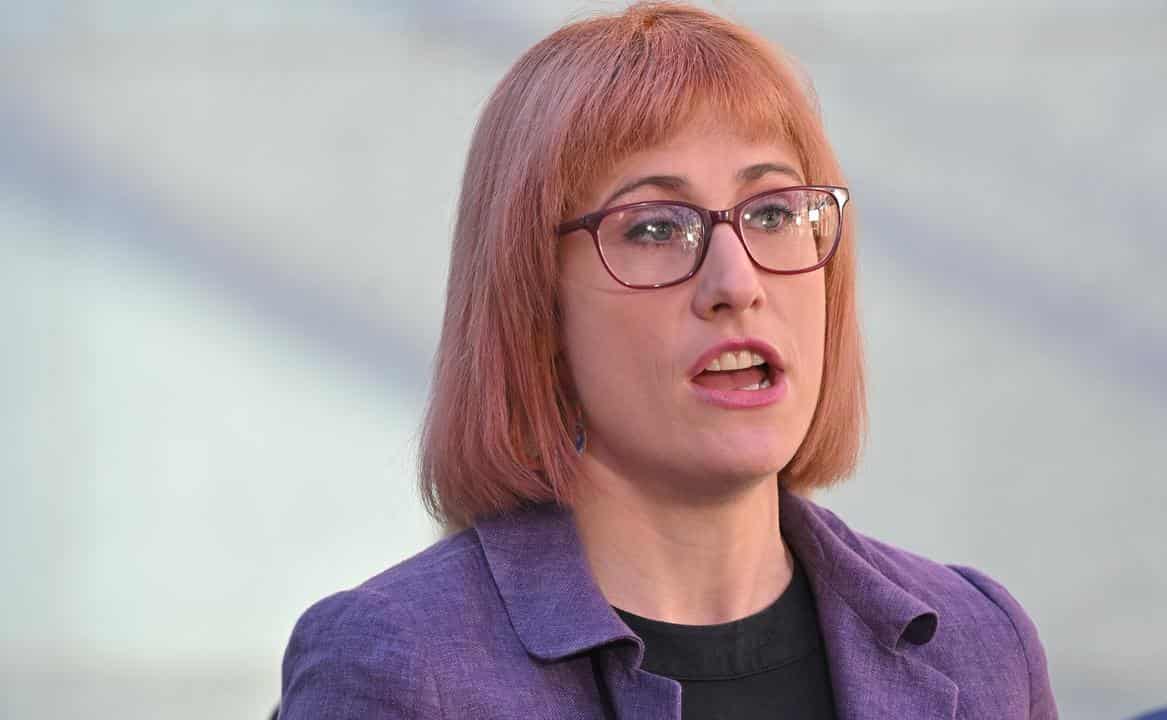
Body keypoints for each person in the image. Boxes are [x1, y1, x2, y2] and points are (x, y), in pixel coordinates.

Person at [278, 3, 1058, 718]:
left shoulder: (981, 641)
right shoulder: (400, 665)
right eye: (654, 228)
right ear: (536, 305)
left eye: (775, 212)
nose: (737, 284)